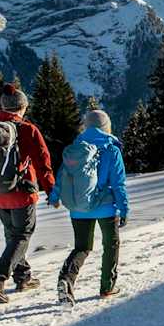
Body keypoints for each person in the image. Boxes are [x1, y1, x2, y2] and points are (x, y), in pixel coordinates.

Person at [0, 83, 54, 304]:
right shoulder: (27, 129)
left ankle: (23, 277)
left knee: (12, 235)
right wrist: (51, 189)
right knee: (22, 235)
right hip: (22, 192)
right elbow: (43, 162)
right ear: (22, 107)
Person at [49, 109, 129, 303]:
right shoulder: (111, 149)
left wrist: (54, 196)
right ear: (106, 127)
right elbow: (118, 184)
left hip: (79, 207)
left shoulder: (76, 148)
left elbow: (62, 175)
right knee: (110, 244)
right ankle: (107, 287)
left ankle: (66, 280)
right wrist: (124, 208)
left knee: (82, 247)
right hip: (106, 207)